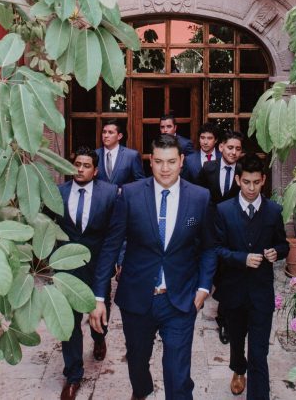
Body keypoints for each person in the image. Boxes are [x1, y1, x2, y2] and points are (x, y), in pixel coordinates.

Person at [90, 134, 217, 400]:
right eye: (159, 161)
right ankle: (142, 390)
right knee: (137, 362)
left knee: (178, 375)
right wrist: (99, 297)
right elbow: (110, 247)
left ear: (182, 161)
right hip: (137, 298)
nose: (165, 168)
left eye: (171, 161)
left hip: (180, 300)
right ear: (150, 161)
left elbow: (208, 247)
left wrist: (203, 288)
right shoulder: (130, 195)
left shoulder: (200, 198)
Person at [212, 154, 289, 398]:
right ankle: (238, 368)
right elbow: (217, 250)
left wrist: (276, 252)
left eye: (256, 182)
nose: (252, 188)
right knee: (236, 341)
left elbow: (284, 244)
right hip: (233, 292)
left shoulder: (274, 211)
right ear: (238, 180)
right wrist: (241, 258)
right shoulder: (223, 211)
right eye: (247, 182)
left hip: (261, 293)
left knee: (259, 353)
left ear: (264, 180)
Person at [49, 147, 121, 400]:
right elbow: (48, 227)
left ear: (96, 170)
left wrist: (114, 263)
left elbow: (115, 235)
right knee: (67, 322)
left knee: (99, 313)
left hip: (97, 267)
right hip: (65, 268)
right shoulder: (58, 194)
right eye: (77, 164)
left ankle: (99, 338)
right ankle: (73, 375)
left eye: (86, 165)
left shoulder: (110, 194)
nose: (80, 169)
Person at [195, 129, 245, 344]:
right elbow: (197, 196)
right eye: (230, 147)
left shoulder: (243, 171)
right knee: (211, 271)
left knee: (228, 278)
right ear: (221, 147)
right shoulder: (209, 168)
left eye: (238, 149)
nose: (233, 152)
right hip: (209, 230)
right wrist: (192, 225)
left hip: (233, 233)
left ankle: (224, 320)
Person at [96, 119, 145, 186]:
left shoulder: (132, 156)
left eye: (110, 132)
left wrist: (124, 191)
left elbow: (141, 182)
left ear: (119, 136)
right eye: (104, 132)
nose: (106, 135)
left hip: (124, 196)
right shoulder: (95, 154)